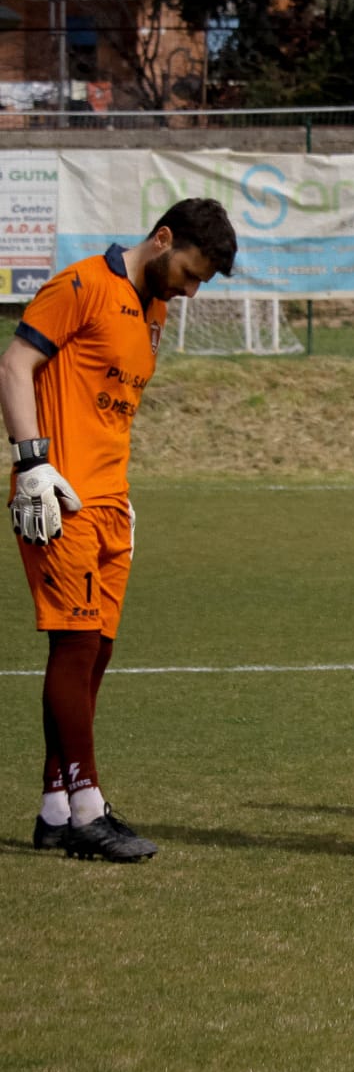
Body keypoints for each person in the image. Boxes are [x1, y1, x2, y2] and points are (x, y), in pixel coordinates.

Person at [4, 198, 238, 862]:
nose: (191, 290)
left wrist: (122, 498)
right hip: (60, 498)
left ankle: (55, 808)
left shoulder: (154, 309)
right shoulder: (79, 285)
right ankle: (87, 809)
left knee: (96, 653)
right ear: (163, 238)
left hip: (111, 504)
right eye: (191, 273)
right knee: (74, 646)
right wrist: (32, 465)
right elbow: (14, 366)